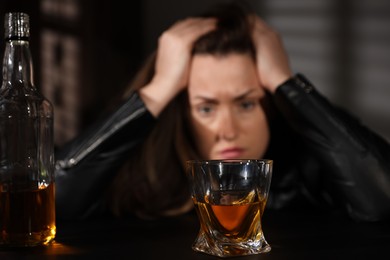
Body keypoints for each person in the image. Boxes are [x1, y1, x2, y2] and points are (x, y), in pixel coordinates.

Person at [54, 2, 390, 222]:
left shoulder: (311, 157)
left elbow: (383, 198)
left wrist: (286, 83)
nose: (227, 130)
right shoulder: (140, 171)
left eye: (246, 104)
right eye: (206, 107)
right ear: (181, 112)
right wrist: (157, 91)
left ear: (269, 104)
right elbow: (47, 205)